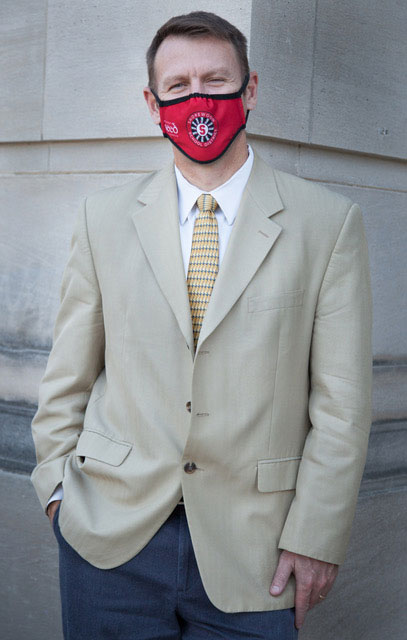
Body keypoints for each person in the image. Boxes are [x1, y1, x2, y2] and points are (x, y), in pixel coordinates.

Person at [31, 11, 372, 640]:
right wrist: (56, 491)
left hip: (258, 551)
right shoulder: (101, 220)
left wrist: (318, 535)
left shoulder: (329, 225)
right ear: (151, 100)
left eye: (216, 81)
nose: (198, 100)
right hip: (110, 541)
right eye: (179, 85)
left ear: (250, 89)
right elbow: (68, 378)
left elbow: (343, 405)